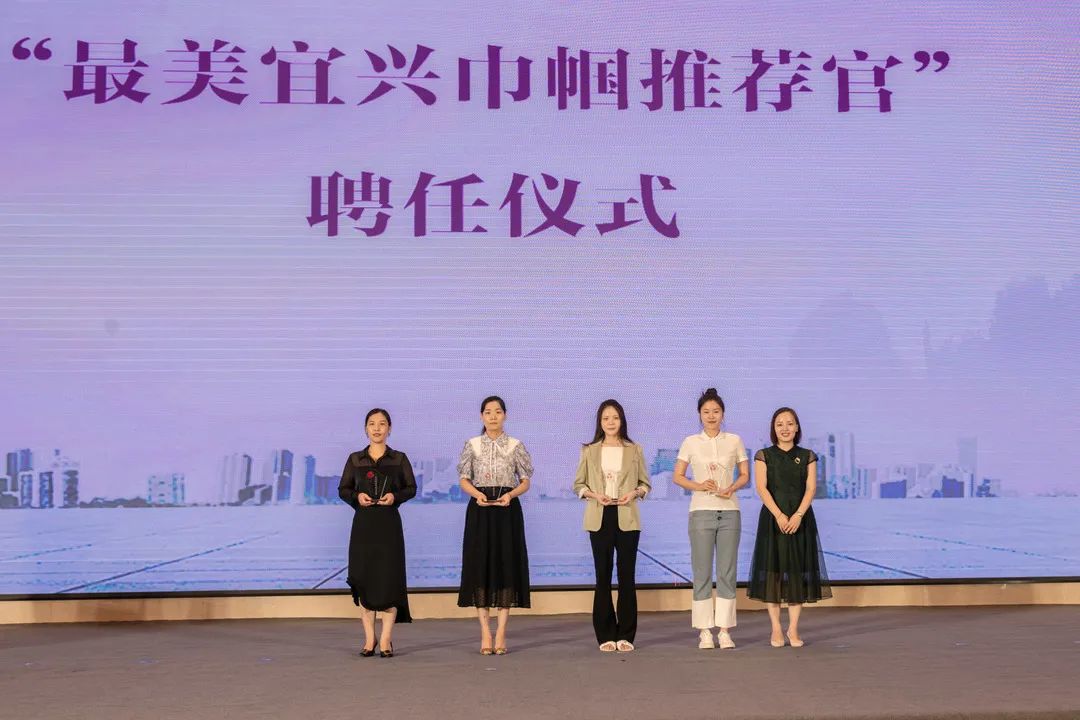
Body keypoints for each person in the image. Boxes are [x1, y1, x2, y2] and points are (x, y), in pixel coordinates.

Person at [747, 407, 832, 647]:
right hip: (772, 520)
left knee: (797, 572)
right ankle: (776, 629)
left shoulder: (807, 456)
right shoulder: (764, 455)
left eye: (790, 423)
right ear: (773, 429)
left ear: (797, 428)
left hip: (800, 520)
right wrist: (779, 515)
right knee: (772, 573)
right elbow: (761, 488)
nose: (785, 428)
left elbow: (811, 488)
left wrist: (797, 515)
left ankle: (793, 629)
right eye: (779, 424)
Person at [673, 388, 750, 649]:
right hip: (700, 512)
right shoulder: (690, 442)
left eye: (716, 411)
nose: (711, 416)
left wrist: (732, 487)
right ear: (699, 414)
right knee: (702, 572)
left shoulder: (735, 440)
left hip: (730, 512)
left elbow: (745, 475)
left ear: (723, 414)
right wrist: (698, 485)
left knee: (727, 572)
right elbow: (678, 476)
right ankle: (705, 631)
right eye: (706, 412)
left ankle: (725, 631)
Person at [456, 396, 533, 655]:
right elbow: (464, 479)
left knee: (505, 566)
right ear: (481, 416)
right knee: (480, 567)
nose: (493, 416)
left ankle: (501, 632)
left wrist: (510, 495)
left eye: (498, 412)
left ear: (505, 415)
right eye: (488, 412)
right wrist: (476, 494)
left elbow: (525, 480)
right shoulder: (472, 444)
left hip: (506, 510)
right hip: (480, 510)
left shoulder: (515, 445)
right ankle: (485, 633)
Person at [338, 408, 417, 658]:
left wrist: (395, 496)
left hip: (388, 525)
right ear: (365, 429)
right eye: (372, 424)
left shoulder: (399, 458)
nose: (377, 428)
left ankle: (385, 639)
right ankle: (369, 638)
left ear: (389, 428)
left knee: (388, 579)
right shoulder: (355, 459)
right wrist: (357, 497)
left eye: (382, 424)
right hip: (363, 525)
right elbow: (343, 489)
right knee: (364, 579)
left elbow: (411, 488)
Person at [573, 399, 651, 652]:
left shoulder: (634, 449)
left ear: (622, 420)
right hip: (599, 516)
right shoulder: (589, 450)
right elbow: (578, 485)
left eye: (615, 418)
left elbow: (645, 484)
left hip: (627, 516)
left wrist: (634, 493)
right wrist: (595, 495)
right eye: (606, 418)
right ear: (600, 421)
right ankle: (605, 634)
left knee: (627, 576)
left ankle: (626, 635)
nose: (610, 422)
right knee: (603, 575)